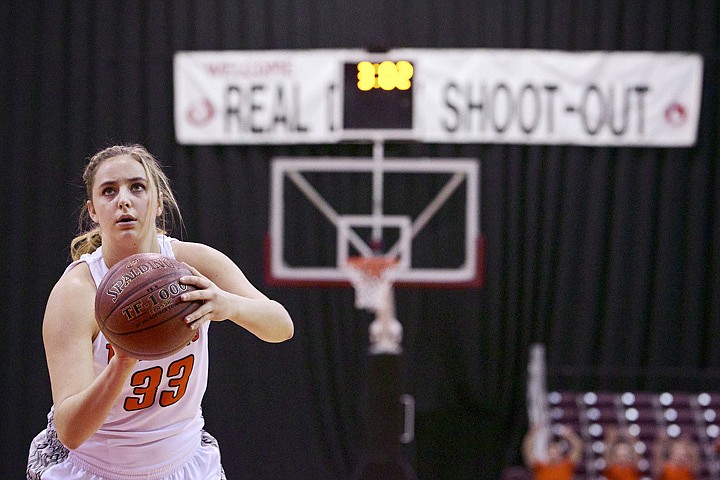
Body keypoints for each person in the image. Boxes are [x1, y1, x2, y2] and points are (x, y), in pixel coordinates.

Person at [26, 144, 294, 479]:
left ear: (158, 202)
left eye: (137, 187)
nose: (123, 199)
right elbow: (71, 431)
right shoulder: (77, 293)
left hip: (183, 460)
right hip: (97, 466)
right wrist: (123, 361)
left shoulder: (195, 262)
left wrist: (227, 304)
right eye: (109, 191)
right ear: (93, 210)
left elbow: (282, 326)